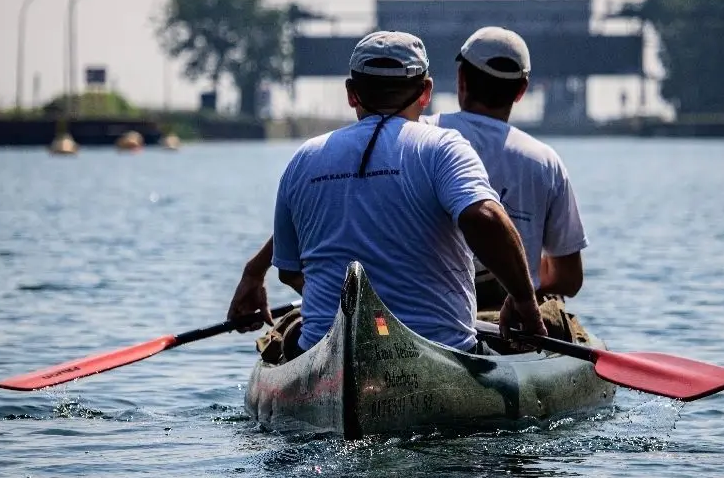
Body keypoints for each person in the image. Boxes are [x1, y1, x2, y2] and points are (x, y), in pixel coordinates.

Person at [228, 31, 545, 359]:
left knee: (290, 333)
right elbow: (484, 217)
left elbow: (289, 270)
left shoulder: (303, 159)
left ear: (352, 94)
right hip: (441, 351)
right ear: (426, 92)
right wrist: (525, 302)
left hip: (328, 354)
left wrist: (346, 305)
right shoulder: (443, 148)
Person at [422, 27, 589, 318]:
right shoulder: (546, 161)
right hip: (513, 320)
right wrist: (525, 279)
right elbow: (569, 279)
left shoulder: (420, 135)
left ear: (461, 79)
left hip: (432, 314)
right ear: (522, 90)